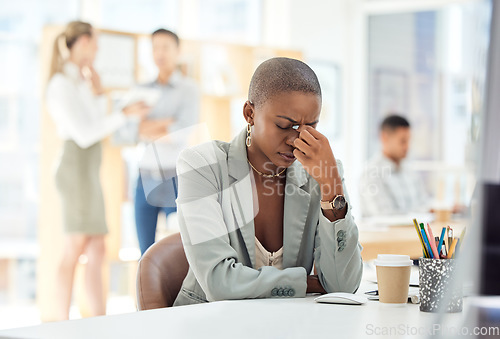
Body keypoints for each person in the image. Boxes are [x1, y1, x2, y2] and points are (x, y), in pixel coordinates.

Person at [172, 57, 363, 306]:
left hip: (289, 326)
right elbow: (219, 284)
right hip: (209, 324)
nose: (298, 140)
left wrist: (332, 189)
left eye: (312, 126)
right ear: (249, 114)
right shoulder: (202, 166)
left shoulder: (322, 172)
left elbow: (343, 286)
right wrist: (303, 282)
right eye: (285, 125)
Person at [46, 21, 144, 320]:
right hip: (75, 168)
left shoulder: (79, 81)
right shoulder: (60, 84)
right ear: (83, 42)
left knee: (98, 246)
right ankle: (59, 321)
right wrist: (123, 114)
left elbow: (95, 123)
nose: (98, 49)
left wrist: (100, 93)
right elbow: (85, 133)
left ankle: (97, 319)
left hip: (88, 168)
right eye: (95, 42)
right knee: (74, 246)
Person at [132, 28, 200, 255]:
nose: (159, 53)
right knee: (145, 253)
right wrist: (166, 123)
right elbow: (132, 130)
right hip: (145, 175)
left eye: (165, 47)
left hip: (176, 176)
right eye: (155, 47)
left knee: (176, 251)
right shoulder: (140, 89)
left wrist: (148, 126)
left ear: (178, 51)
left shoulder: (189, 89)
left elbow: (180, 133)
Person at [359, 115, 429, 217]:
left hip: (412, 231)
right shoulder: (371, 174)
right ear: (384, 138)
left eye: (409, 141)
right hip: (387, 233)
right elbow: (383, 216)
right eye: (403, 141)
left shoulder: (409, 171)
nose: (407, 147)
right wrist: (422, 213)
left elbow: (424, 204)